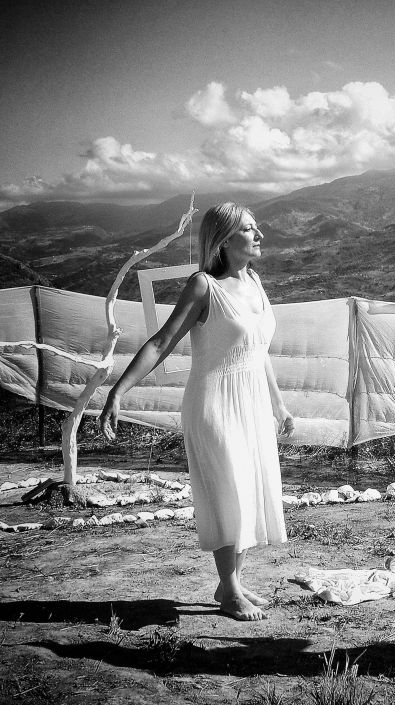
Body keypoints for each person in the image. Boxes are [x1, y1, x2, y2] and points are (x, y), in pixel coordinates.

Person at [100, 202, 294, 622]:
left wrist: (278, 404)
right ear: (224, 240)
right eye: (249, 228)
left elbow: (257, 350)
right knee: (227, 490)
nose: (259, 234)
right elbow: (161, 342)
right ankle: (231, 591)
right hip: (215, 403)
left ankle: (230, 584)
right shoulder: (204, 286)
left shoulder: (255, 281)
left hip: (253, 403)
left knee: (247, 490)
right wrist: (118, 391)